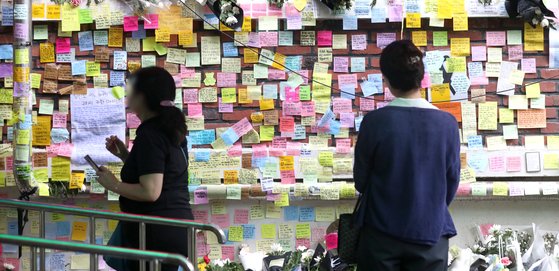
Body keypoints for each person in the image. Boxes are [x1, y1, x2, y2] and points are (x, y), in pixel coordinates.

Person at [353, 40, 461, 271]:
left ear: (387, 80)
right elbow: (451, 183)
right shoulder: (448, 124)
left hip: (380, 234)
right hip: (431, 232)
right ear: (421, 78)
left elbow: (361, 180)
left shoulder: (374, 122)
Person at [95, 67, 192, 271]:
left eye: (130, 89)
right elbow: (159, 174)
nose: (127, 94)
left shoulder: (151, 134)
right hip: (172, 229)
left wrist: (113, 184)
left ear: (142, 96)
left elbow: (150, 191)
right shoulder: (170, 129)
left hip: (155, 233)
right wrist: (125, 156)